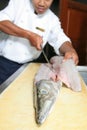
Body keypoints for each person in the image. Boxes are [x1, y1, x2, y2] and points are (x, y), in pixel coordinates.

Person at [0, 0, 79, 85]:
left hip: (29, 66)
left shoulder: (52, 19)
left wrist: (70, 50)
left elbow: (60, 39)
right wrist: (28, 35)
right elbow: (1, 22)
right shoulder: (18, 3)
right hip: (4, 64)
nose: (42, 3)